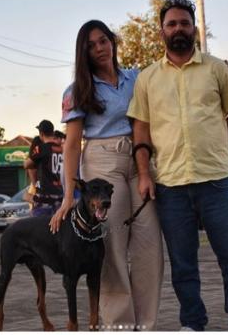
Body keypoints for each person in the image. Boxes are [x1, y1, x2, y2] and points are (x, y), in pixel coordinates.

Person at [128, 0, 228, 331]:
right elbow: (140, 127)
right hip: (170, 185)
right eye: (171, 24)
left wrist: (215, 141)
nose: (178, 29)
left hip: (216, 181)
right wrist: (144, 173)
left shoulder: (216, 69)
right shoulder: (147, 79)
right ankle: (193, 323)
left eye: (184, 23)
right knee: (183, 263)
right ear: (162, 32)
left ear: (194, 28)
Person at [49, 20, 164, 330]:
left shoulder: (136, 78)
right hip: (103, 162)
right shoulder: (77, 90)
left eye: (103, 41)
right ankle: (118, 324)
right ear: (83, 52)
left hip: (139, 159)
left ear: (113, 41)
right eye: (91, 45)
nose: (99, 48)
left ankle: (147, 324)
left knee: (149, 245)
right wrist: (68, 196)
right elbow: (72, 145)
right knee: (112, 246)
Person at [23, 120, 64, 217]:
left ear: (41, 134)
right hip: (60, 196)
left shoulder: (41, 148)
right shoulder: (62, 149)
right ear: (53, 133)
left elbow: (27, 165)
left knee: (40, 229)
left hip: (45, 197)